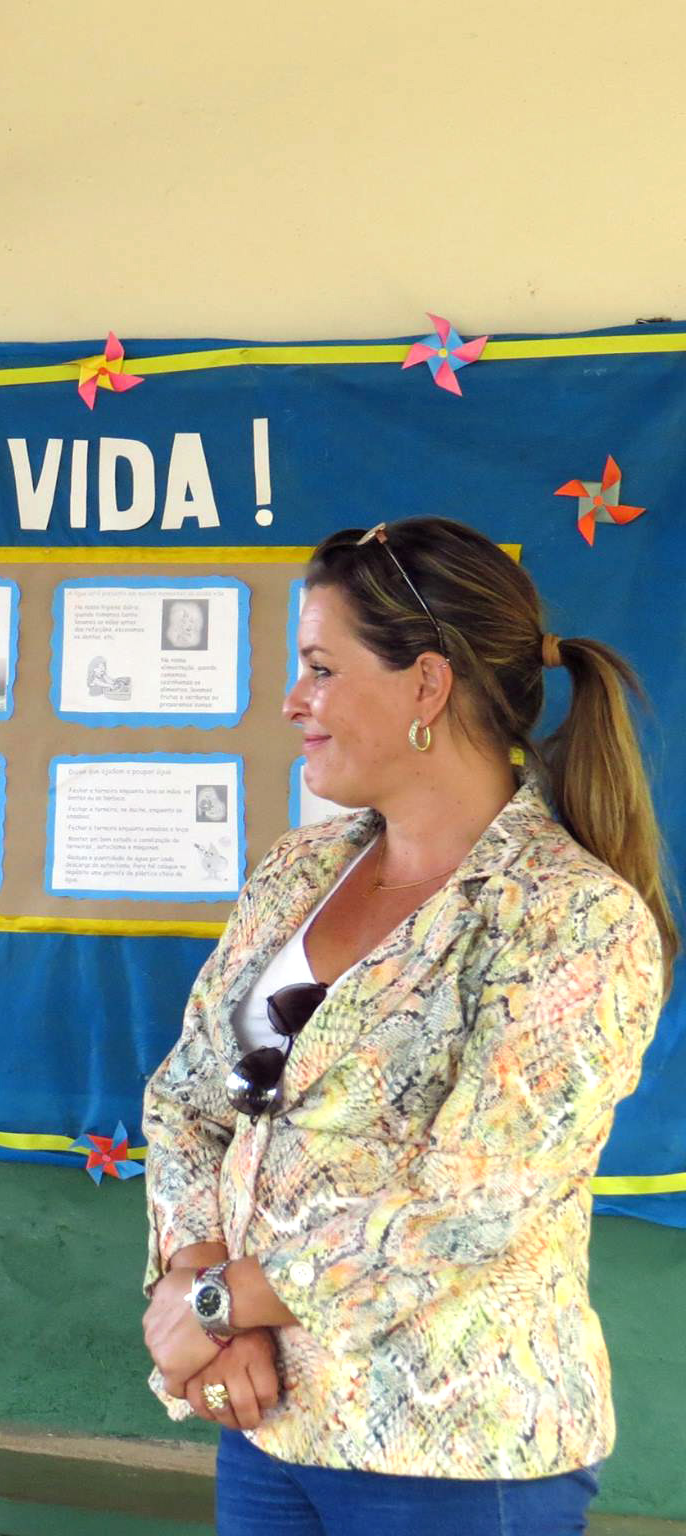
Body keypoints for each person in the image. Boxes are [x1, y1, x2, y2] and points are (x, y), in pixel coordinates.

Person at [140, 517, 672, 1535]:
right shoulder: (296, 872)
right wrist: (197, 1290)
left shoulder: (566, 916)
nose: (292, 701)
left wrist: (216, 1306)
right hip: (266, 1418)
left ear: (426, 687)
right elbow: (185, 1103)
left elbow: (468, 1203)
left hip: (451, 1450)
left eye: (319, 667)